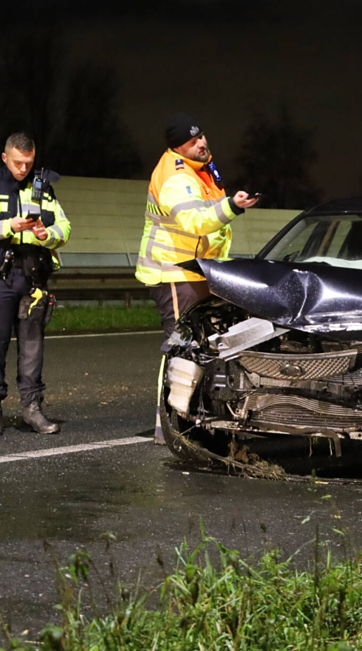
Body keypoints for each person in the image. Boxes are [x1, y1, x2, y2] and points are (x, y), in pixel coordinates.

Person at [134, 113, 258, 443]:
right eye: (193, 141)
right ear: (178, 147)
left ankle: (193, 421)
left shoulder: (200, 168)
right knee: (181, 347)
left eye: (201, 135)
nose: (202, 143)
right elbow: (194, 221)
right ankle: (169, 425)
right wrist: (232, 206)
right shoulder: (176, 177)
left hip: (199, 270)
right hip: (175, 272)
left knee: (199, 346)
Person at [0, 132, 71, 435]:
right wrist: (7, 226)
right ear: (5, 157)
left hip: (33, 276)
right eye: (18, 162)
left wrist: (47, 235)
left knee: (32, 345)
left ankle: (32, 409)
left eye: (29, 163)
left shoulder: (43, 190)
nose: (23, 169)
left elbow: (64, 226)